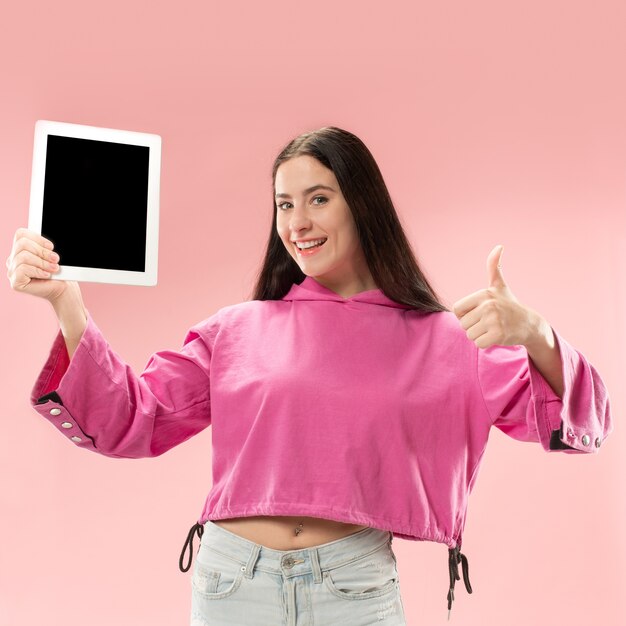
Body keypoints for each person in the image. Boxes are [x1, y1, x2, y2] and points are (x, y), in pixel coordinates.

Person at [7, 126, 612, 625]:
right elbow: (133, 420)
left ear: (363, 204)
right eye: (284, 204)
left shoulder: (449, 340)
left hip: (354, 587)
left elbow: (577, 420)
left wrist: (535, 333)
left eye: (318, 198)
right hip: (229, 583)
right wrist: (68, 304)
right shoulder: (236, 329)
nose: (297, 222)